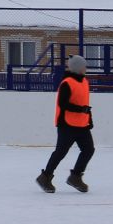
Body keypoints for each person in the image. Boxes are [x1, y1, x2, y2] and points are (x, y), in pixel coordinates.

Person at [35, 54, 94, 193]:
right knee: (61, 152)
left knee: (88, 150)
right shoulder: (67, 82)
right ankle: (45, 177)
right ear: (78, 68)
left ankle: (75, 177)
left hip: (81, 124)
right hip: (66, 124)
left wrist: (89, 118)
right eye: (84, 66)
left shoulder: (85, 81)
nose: (86, 68)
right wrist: (81, 110)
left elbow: (84, 103)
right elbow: (63, 104)